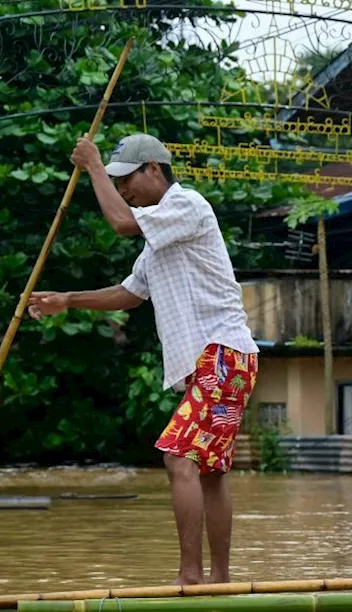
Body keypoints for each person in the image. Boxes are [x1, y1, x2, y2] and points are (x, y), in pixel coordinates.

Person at [28, 133, 259, 586]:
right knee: (209, 472)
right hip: (218, 361)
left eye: (126, 178)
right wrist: (68, 299)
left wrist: (94, 164)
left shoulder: (188, 206)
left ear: (155, 169)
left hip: (224, 354)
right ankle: (218, 584)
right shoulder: (160, 239)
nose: (123, 189)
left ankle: (192, 579)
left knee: (179, 460)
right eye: (116, 180)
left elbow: (120, 223)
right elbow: (129, 294)